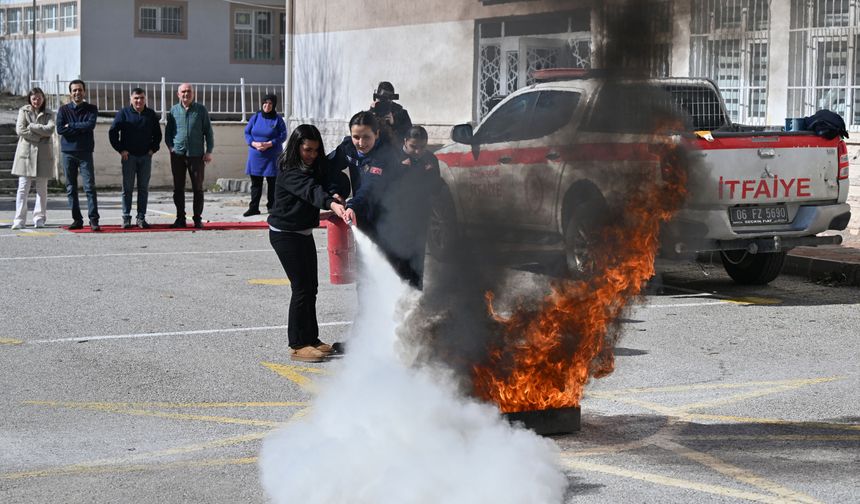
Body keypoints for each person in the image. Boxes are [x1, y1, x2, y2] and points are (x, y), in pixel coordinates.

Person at [268, 124, 348, 363]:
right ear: (296, 147)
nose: (312, 155)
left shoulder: (315, 166)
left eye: (315, 150)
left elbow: (333, 168)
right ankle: (298, 344)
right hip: (285, 235)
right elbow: (312, 192)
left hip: (302, 232)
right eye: (307, 150)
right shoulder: (290, 171)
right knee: (301, 288)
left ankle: (312, 339)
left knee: (311, 287)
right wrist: (332, 204)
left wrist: (336, 192)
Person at [385, 125, 443, 289]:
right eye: (413, 147)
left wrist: (428, 175)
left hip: (420, 216)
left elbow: (436, 187)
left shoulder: (431, 159)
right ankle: (396, 295)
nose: (418, 151)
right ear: (405, 142)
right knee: (398, 260)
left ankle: (416, 295)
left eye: (422, 147)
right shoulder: (394, 157)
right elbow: (386, 186)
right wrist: (402, 169)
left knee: (417, 260)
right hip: (396, 218)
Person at [109, 87, 162, 229]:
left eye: (142, 98)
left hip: (145, 157)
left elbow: (158, 135)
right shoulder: (123, 113)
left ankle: (141, 218)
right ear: (131, 99)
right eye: (136, 98)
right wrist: (121, 150)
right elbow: (113, 133)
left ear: (145, 99)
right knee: (127, 189)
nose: (139, 101)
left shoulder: (150, 114)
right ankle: (126, 218)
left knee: (143, 189)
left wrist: (153, 149)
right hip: (129, 157)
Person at [165, 83, 214, 229]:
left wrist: (209, 151)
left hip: (196, 155)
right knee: (178, 188)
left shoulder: (200, 110)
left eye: (189, 91)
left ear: (193, 93)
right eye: (183, 92)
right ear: (178, 94)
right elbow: (168, 133)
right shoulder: (173, 110)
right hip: (178, 155)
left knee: (198, 188)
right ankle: (180, 218)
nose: (186, 94)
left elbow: (208, 132)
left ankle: (197, 219)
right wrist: (171, 148)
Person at [57, 79, 100, 231]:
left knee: (89, 187)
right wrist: (79, 128)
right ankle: (77, 219)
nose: (77, 92)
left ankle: (94, 219)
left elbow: (90, 125)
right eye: (74, 90)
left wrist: (72, 125)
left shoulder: (91, 108)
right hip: (68, 152)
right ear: (70, 93)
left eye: (80, 90)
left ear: (84, 91)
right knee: (71, 188)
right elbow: (60, 129)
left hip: (85, 152)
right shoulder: (63, 110)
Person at [11, 87, 55, 230]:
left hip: (43, 155)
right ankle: (19, 219)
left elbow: (50, 129)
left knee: (42, 189)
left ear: (43, 98)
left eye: (39, 98)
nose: (36, 101)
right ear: (30, 99)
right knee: (23, 188)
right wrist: (39, 135)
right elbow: (20, 130)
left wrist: (32, 127)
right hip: (26, 155)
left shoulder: (49, 113)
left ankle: (39, 218)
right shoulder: (23, 111)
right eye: (34, 98)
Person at [243, 94, 287, 217]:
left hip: (271, 155)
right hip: (256, 155)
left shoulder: (277, 119)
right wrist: (253, 143)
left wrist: (270, 143)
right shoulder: (256, 117)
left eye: (270, 104)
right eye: (265, 103)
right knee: (256, 183)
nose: (267, 106)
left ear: (274, 105)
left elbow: (283, 135)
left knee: (272, 183)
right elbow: (247, 132)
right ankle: (253, 207)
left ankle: (272, 207)